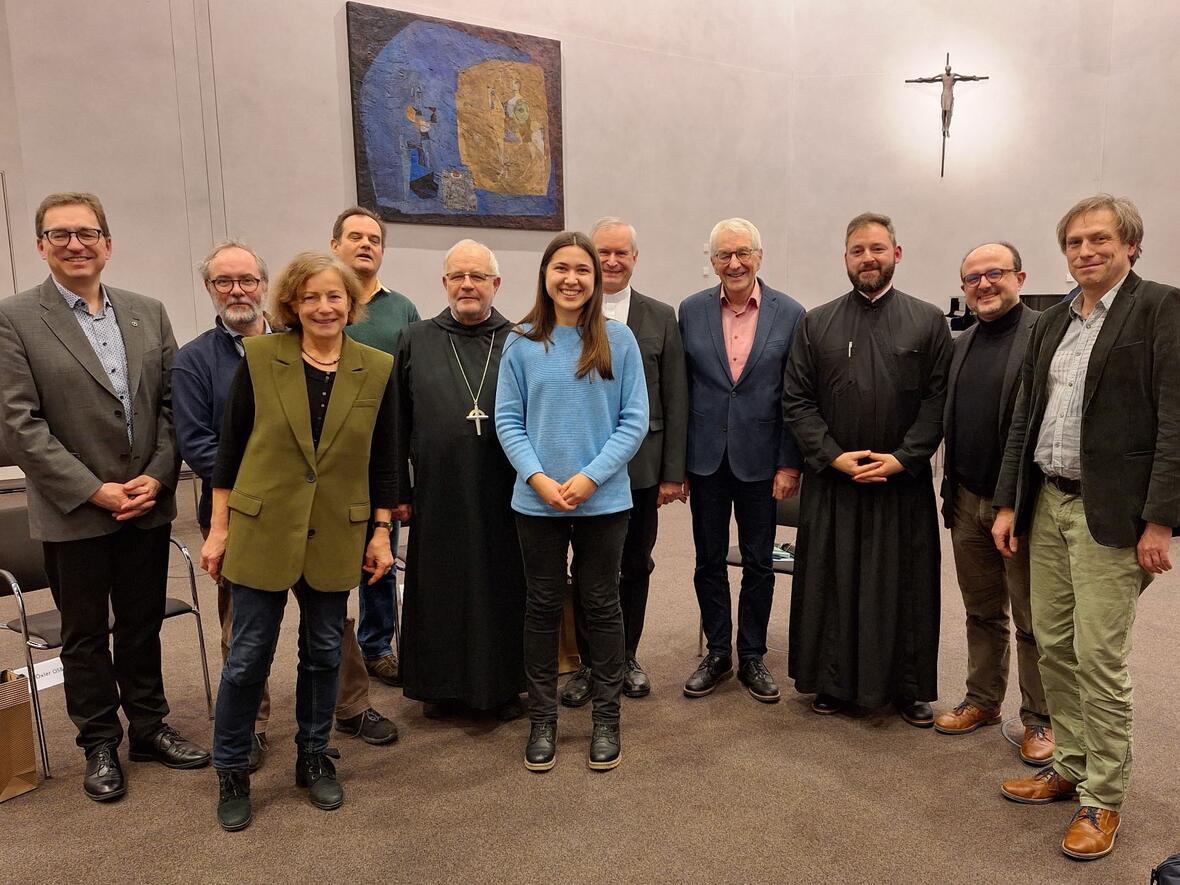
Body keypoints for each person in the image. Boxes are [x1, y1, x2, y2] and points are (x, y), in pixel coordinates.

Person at [0, 192, 209, 802]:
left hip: (145, 502)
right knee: (85, 634)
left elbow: (174, 408)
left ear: (107, 244)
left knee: (142, 624)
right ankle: (98, 742)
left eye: (86, 232)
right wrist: (93, 489)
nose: (74, 244)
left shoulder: (148, 311)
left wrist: (160, 473)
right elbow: (19, 423)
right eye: (59, 234)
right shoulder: (14, 318)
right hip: (75, 511)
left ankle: (148, 728)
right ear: (41, 245)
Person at [993, 195, 1180, 861]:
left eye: (1099, 239)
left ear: (1131, 243)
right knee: (1054, 644)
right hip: (1047, 501)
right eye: (1073, 242)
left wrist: (1160, 520)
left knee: (1101, 657)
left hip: (1114, 515)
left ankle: (1104, 796)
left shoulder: (1160, 308)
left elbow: (1174, 420)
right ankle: (1070, 766)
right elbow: (1025, 417)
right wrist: (1011, 502)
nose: (1084, 252)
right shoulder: (1050, 322)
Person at [173, 241, 398, 775]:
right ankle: (231, 771)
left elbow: (384, 459)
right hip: (262, 527)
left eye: (335, 296)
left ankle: (314, 756)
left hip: (335, 533)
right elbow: (228, 455)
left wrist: (381, 531)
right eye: (310, 296)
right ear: (292, 304)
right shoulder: (260, 358)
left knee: (324, 653)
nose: (324, 307)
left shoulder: (376, 367)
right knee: (248, 655)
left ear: (352, 302)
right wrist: (218, 529)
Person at [783, 211, 951, 726]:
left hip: (901, 484)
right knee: (832, 582)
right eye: (858, 250)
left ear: (896, 254)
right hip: (837, 481)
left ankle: (907, 686)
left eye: (877, 249)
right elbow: (797, 399)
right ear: (846, 258)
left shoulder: (928, 321)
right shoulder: (817, 322)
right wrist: (833, 455)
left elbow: (938, 399)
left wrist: (902, 459)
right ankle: (832, 681)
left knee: (905, 585)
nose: (868, 259)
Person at [495, 231, 647, 773]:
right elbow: (508, 421)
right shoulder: (519, 341)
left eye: (583, 270)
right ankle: (543, 720)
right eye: (562, 268)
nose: (572, 279)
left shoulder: (619, 340)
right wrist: (537, 478)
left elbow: (634, 422)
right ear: (545, 274)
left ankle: (607, 719)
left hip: (603, 501)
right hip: (536, 501)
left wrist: (590, 478)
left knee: (601, 604)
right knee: (541, 606)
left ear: (597, 279)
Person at [391, 239, 526, 719]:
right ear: (444, 283)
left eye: (477, 277)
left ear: (496, 284)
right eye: (457, 276)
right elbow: (396, 423)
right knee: (441, 584)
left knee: (501, 584)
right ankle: (441, 686)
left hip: (506, 490)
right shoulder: (416, 338)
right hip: (437, 490)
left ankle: (503, 687)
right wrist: (399, 493)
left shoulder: (521, 338)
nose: (467, 285)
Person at [560, 218, 688, 706]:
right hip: (577, 469)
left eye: (622, 253)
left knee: (635, 564)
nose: (612, 261)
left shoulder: (661, 316)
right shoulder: (566, 314)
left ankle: (626, 656)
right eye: (603, 252)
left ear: (635, 259)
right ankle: (589, 663)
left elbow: (675, 397)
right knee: (588, 570)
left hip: (640, 470)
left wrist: (672, 473)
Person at [933, 242, 1051, 765]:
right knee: (982, 613)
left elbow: (1035, 433)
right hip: (965, 500)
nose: (983, 285)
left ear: (1019, 277)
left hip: (1020, 507)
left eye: (994, 274)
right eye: (972, 278)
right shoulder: (961, 344)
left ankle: (1040, 720)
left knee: (1031, 620)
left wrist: (1011, 503)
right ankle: (982, 700)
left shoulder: (1045, 336)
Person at [678, 218, 804, 704]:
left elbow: (795, 395)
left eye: (743, 253)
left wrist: (789, 463)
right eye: (723, 255)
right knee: (707, 560)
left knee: (759, 563)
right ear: (711, 261)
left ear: (759, 256)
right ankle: (717, 652)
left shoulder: (790, 313)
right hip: (705, 460)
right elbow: (681, 388)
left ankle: (752, 654)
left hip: (762, 462)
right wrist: (678, 465)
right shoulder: (690, 311)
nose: (733, 263)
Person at [329, 205, 419, 687]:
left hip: (381, 455)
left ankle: (378, 646)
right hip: (327, 458)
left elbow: (415, 380)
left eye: (374, 239)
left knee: (379, 554)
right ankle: (329, 651)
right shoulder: (322, 301)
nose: (366, 245)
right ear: (335, 245)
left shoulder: (401, 309)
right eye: (355, 237)